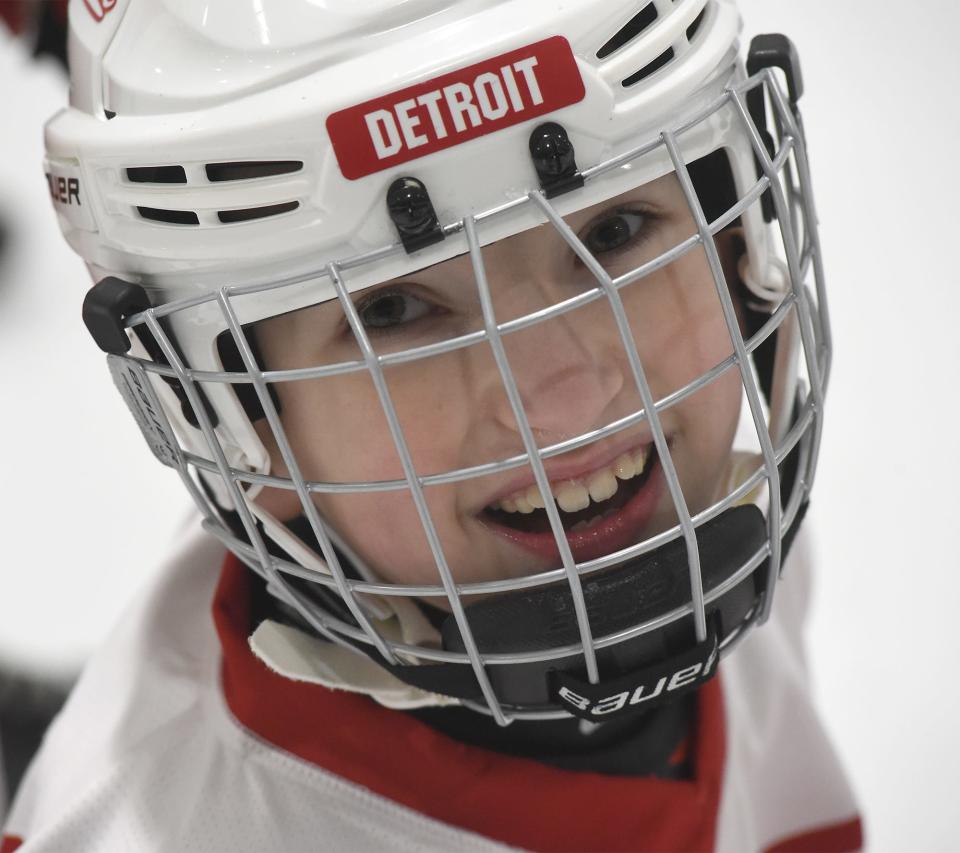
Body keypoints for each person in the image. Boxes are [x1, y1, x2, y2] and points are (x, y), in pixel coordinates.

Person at [3, 0, 863, 850]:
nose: (565, 407)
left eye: (618, 229)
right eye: (393, 310)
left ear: (739, 232)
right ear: (225, 411)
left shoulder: (715, 521)